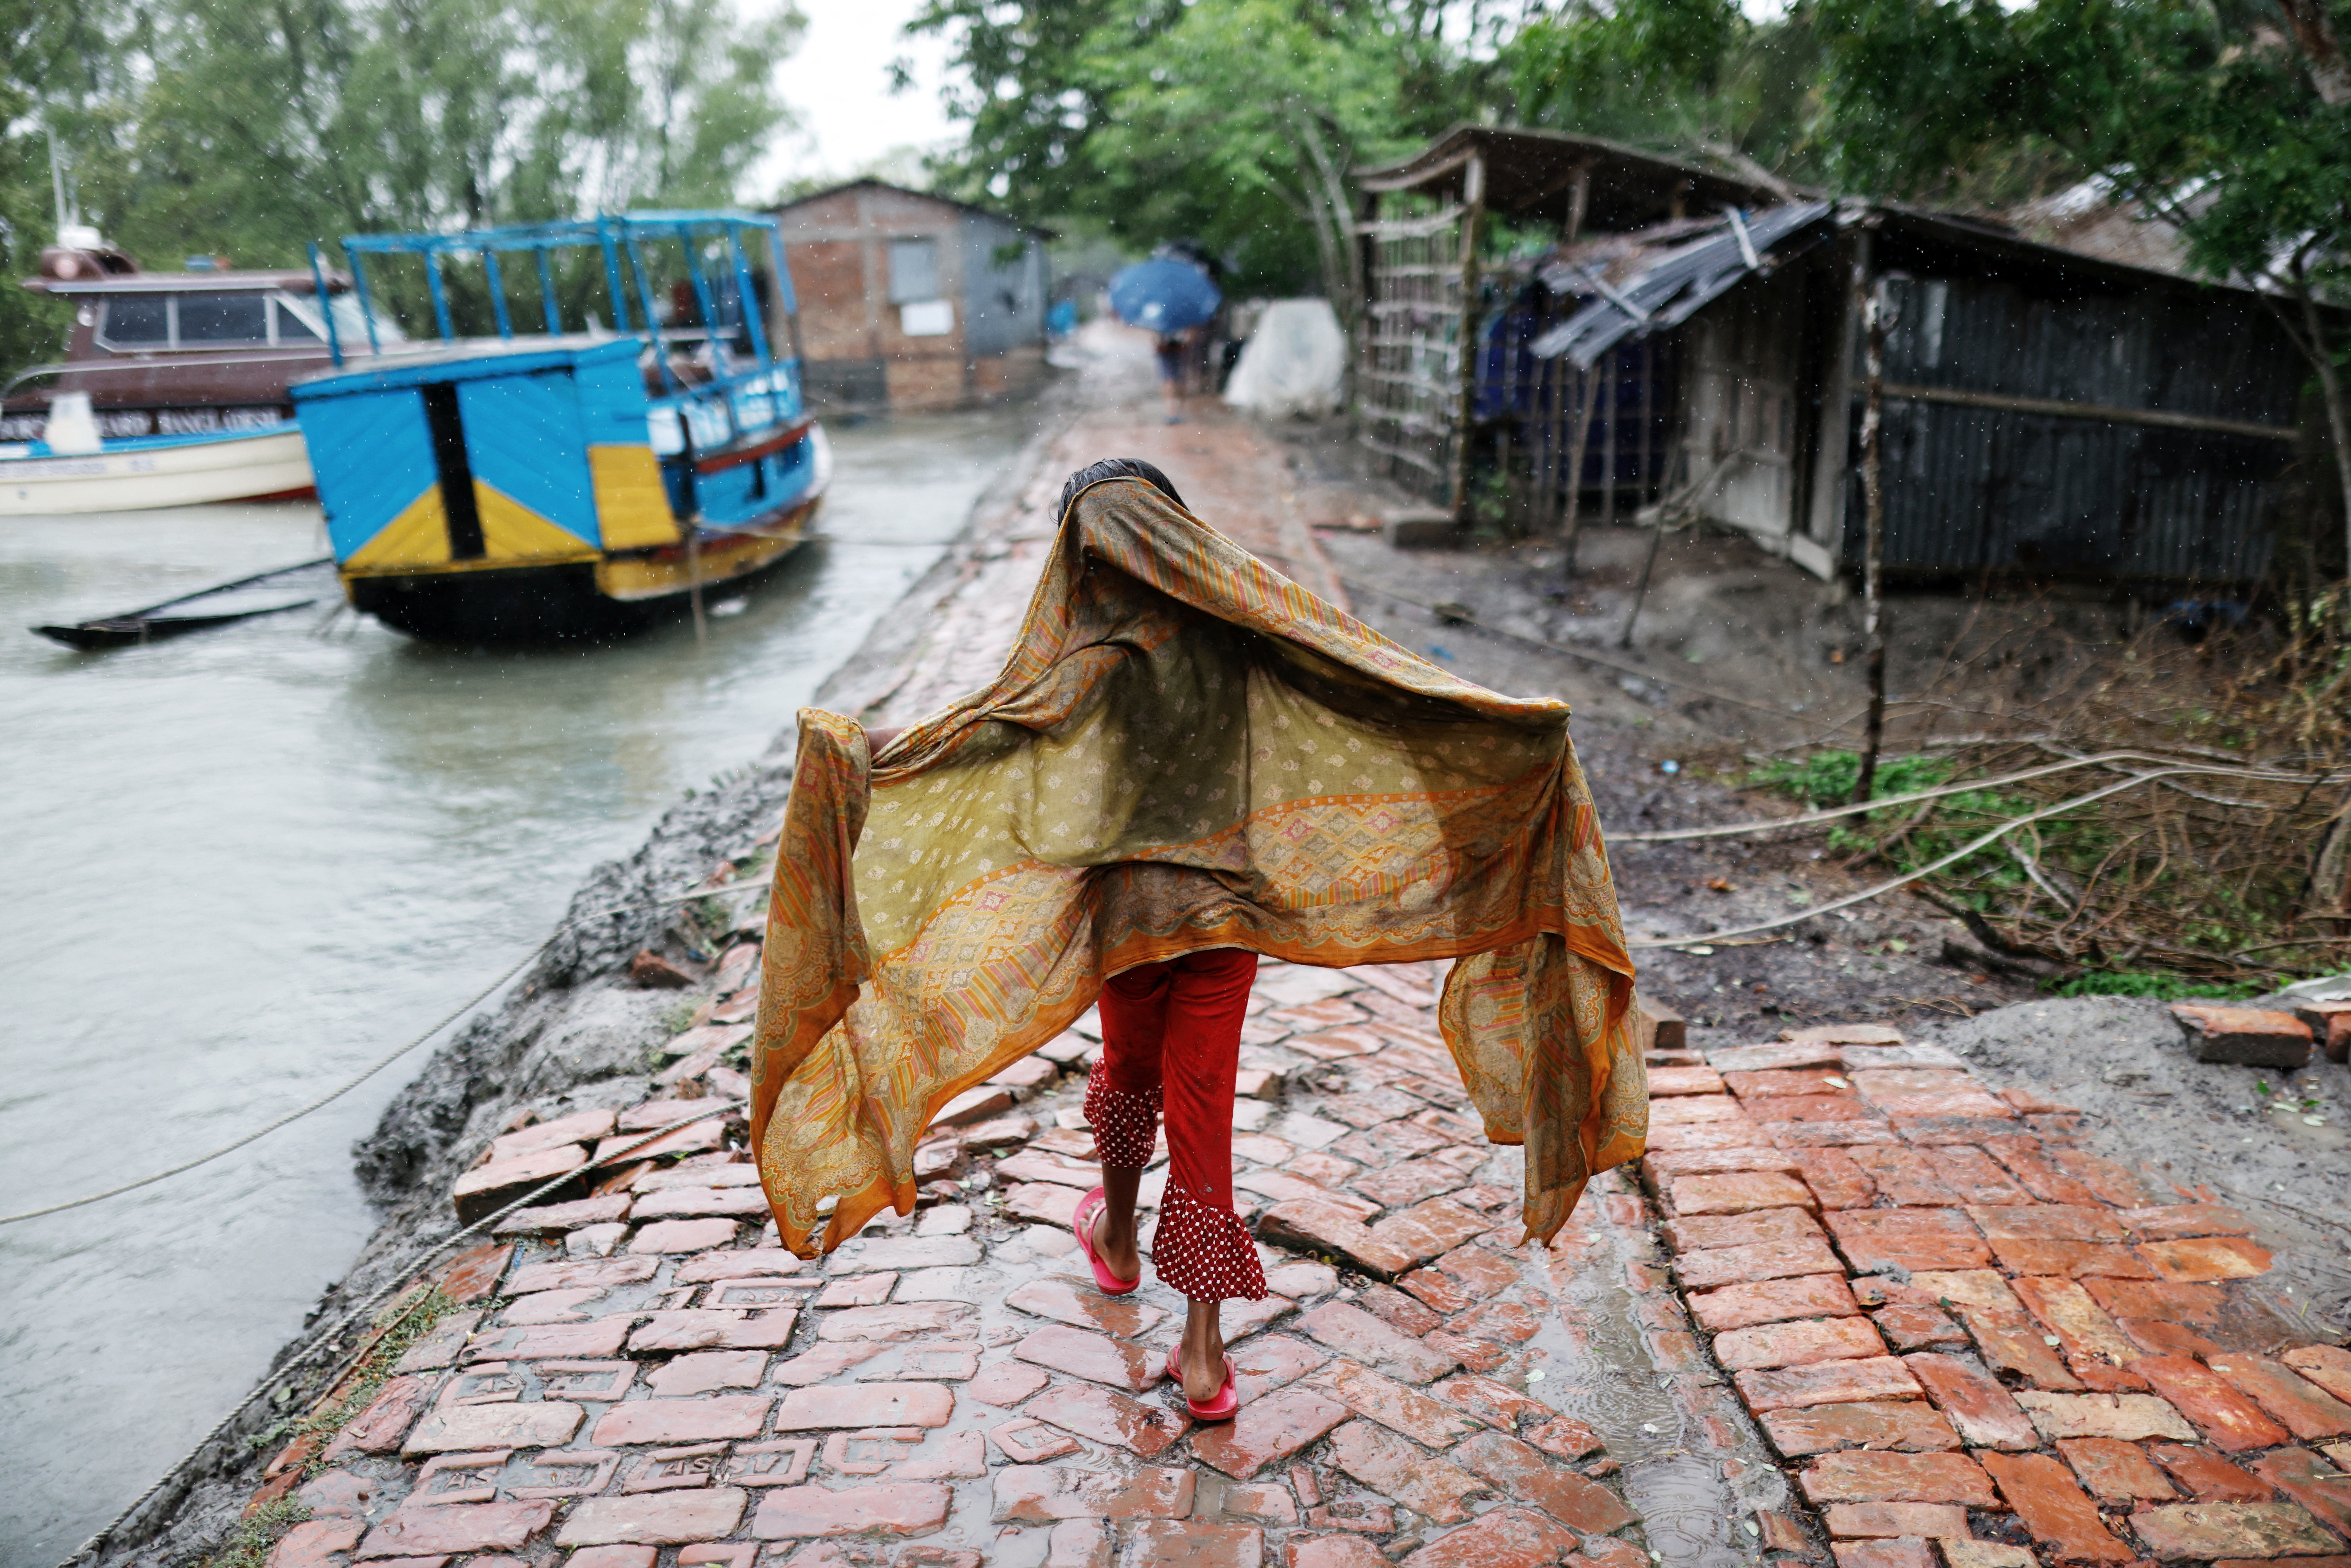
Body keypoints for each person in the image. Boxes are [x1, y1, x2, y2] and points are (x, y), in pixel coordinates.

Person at [750, 457, 1646, 1430]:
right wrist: (1513, 728)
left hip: (1128, 919)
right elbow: (1370, 679)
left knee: (1128, 1074)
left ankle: (1123, 1239)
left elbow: (985, 737)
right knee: (1201, 1112)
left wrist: (861, 751)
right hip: (1223, 921)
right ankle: (1205, 1353)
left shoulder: (1087, 662)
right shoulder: (1247, 628)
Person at [1154, 330, 1189, 423]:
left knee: (1169, 381)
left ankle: (1172, 412)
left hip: (1168, 351)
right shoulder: (1182, 321)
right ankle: (1178, 410)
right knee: (1176, 381)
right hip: (1175, 350)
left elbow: (1155, 341)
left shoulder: (1160, 321)